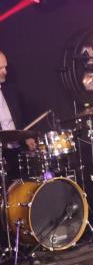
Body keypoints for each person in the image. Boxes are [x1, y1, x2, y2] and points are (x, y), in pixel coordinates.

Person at [0, 50, 38, 178]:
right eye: (1, 68)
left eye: (5, 67)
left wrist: (26, 137)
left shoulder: (10, 90)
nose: (5, 71)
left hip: (17, 151)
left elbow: (20, 119)